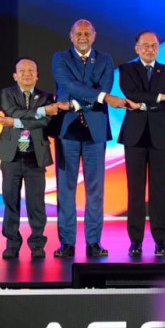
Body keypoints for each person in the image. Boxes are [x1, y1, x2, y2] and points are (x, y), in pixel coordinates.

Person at [51, 19, 131, 259]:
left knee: (95, 189)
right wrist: (99, 97)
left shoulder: (105, 60)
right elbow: (69, 85)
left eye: (87, 33)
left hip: (95, 130)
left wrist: (76, 103)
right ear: (71, 36)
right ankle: (67, 242)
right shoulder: (60, 58)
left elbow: (103, 88)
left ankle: (94, 242)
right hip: (67, 130)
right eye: (78, 33)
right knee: (66, 189)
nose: (83, 37)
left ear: (94, 35)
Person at [0, 58, 66, 259]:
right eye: (22, 71)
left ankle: (37, 244)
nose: (27, 74)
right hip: (11, 156)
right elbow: (12, 111)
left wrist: (16, 122)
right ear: (15, 76)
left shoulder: (47, 97)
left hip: (35, 156)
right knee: (10, 201)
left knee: (36, 203)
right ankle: (12, 243)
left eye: (31, 70)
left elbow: (45, 121)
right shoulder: (7, 93)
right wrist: (40, 112)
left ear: (37, 75)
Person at [118, 30, 165, 257]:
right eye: (145, 46)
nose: (149, 49)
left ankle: (161, 240)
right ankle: (135, 240)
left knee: (159, 190)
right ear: (137, 48)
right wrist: (158, 98)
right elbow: (131, 93)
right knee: (135, 190)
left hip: (160, 135)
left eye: (153, 45)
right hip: (134, 136)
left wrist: (144, 104)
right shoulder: (127, 70)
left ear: (158, 48)